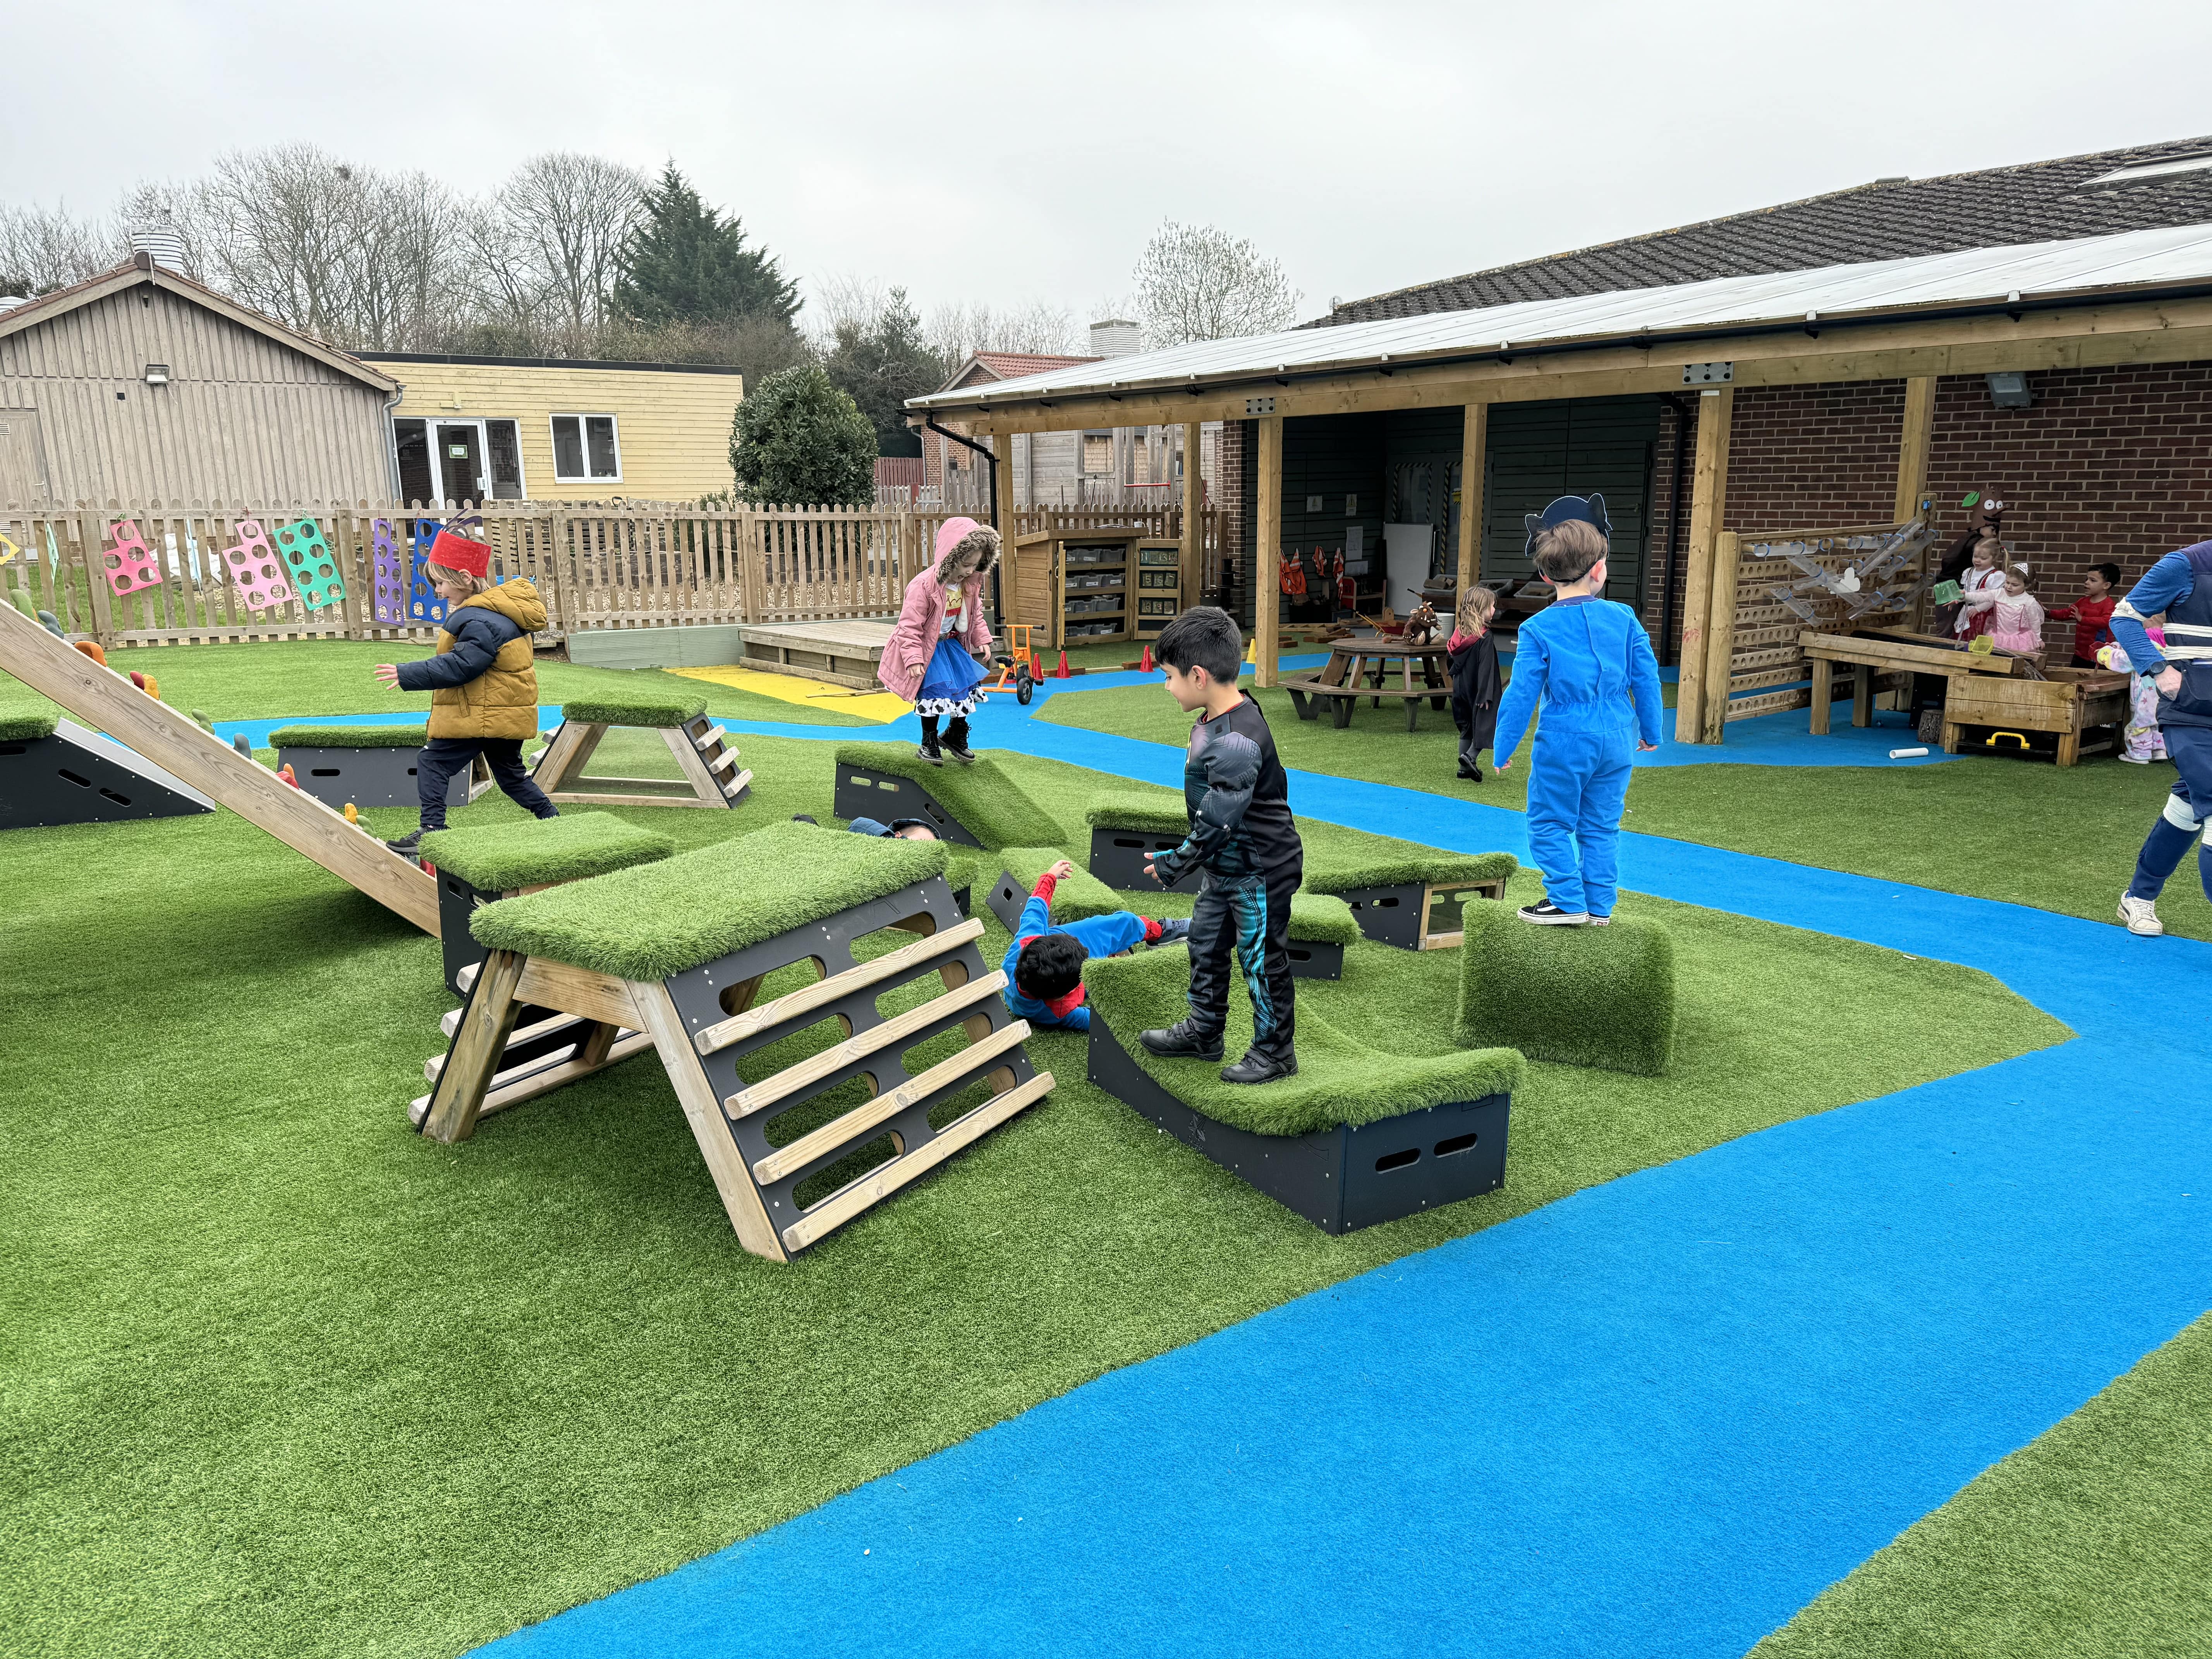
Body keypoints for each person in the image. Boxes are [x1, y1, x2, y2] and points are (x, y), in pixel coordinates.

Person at [1135, 606, 1305, 1084]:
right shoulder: (1217, 715)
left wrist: (1175, 863)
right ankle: (1205, 1031)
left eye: (1169, 677)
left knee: (1260, 959)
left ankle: (1275, 1053)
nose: (1166, 687)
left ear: (1198, 675)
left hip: (1261, 869)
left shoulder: (1237, 741)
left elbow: (1217, 822)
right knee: (1207, 944)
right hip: (1226, 867)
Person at [1488, 494, 1664, 926]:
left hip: (1566, 736)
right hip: (1618, 734)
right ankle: (1600, 907)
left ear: (1545, 574)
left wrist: (1502, 746)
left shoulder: (1537, 629)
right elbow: (1647, 677)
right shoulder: (1625, 617)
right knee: (1602, 825)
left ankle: (1567, 901)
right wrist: (1652, 731)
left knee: (1548, 821)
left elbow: (1520, 696)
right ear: (1600, 570)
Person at [373, 527, 557, 857]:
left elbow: (462, 666)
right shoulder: (501, 614)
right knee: (512, 778)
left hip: (483, 714)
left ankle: (432, 831)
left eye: (440, 583)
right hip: (503, 713)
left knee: (433, 762)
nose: (438, 592)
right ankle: (555, 821)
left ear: (463, 578)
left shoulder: (478, 621)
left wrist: (407, 673)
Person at [2109, 539, 2212, 936]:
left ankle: (2138, 897)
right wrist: (2157, 669)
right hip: (2192, 714)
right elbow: (2125, 618)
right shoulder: (2186, 564)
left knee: (2189, 802)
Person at [1001, 859, 1190, 1032]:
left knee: (1121, 923)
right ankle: (1113, 959)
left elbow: (1036, 906)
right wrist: (1142, 1021)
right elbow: (1094, 1020)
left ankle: (1156, 931)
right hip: (1063, 981)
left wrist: (1050, 877)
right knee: (1110, 979)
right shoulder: (1057, 1012)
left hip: (1056, 948)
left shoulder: (1026, 942)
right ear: (1062, 996)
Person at [879, 517, 997, 766]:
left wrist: (982, 639)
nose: (969, 571)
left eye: (975, 565)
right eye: (965, 564)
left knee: (963, 691)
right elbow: (908, 627)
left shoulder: (969, 584)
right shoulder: (923, 586)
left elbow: (975, 615)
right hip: (927, 649)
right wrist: (913, 659)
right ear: (949, 558)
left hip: (951, 646)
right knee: (933, 695)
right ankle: (928, 742)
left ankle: (954, 734)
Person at [1446, 585, 1502, 782]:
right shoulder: (1484, 637)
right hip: (1480, 691)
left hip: (1460, 688)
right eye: (1492, 606)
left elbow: (1451, 661)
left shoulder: (1458, 635)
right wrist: (1486, 694)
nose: (1494, 610)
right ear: (1481, 609)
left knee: (1467, 727)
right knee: (1487, 723)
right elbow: (1486, 667)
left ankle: (1464, 770)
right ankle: (1470, 757)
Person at [2049, 562, 2123, 667]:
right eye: (2087, 579)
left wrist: (2082, 619)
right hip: (2080, 655)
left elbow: (2106, 621)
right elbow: (2066, 614)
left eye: (2093, 581)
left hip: (2099, 656)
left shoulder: (2108, 604)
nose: (2087, 583)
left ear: (2106, 586)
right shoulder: (2083, 602)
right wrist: (2048, 613)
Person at [1965, 566, 2047, 654]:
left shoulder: (2029, 602)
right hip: (1998, 638)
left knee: (2016, 661)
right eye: (2007, 583)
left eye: (2015, 585)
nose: (2009, 587)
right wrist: (1963, 596)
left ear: (2026, 585)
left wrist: (2038, 639)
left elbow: (2034, 622)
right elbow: (1981, 596)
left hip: (2019, 641)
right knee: (1996, 658)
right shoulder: (1999, 593)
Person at [1954, 539, 2007, 643]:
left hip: (1982, 614)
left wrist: (1978, 608)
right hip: (1966, 612)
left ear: (1994, 558)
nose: (1978, 560)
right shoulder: (1968, 572)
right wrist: (1957, 600)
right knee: (1962, 640)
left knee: (1977, 640)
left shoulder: (1995, 576)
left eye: (1983, 558)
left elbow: (1994, 599)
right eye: (1975, 557)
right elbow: (1966, 592)